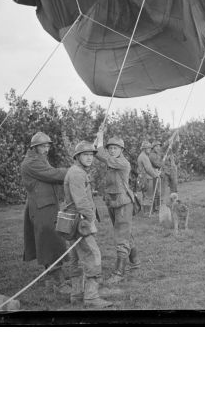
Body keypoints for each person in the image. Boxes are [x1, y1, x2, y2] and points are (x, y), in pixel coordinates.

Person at [64, 140, 112, 308]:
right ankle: (91, 297)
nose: (90, 158)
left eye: (91, 154)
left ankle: (76, 294)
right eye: (85, 155)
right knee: (93, 255)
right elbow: (81, 201)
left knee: (76, 258)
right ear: (77, 157)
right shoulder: (77, 173)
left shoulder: (76, 171)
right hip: (80, 221)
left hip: (72, 221)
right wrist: (90, 220)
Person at [20, 132, 70, 294]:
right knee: (49, 241)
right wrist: (75, 170)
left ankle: (52, 278)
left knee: (51, 240)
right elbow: (53, 175)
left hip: (46, 205)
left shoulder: (39, 159)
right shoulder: (31, 163)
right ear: (34, 147)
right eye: (43, 146)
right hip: (41, 208)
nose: (47, 149)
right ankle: (59, 282)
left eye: (48, 145)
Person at [94, 129, 139, 285]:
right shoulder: (111, 163)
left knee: (121, 237)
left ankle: (119, 272)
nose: (112, 150)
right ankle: (135, 262)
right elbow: (101, 156)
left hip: (123, 204)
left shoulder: (122, 162)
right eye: (110, 148)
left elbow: (100, 154)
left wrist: (99, 139)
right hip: (113, 203)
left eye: (115, 148)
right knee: (125, 233)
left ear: (121, 150)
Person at [137, 140, 161, 216]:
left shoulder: (142, 155)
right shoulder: (144, 157)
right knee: (148, 195)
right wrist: (155, 175)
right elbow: (148, 169)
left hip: (143, 177)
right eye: (148, 148)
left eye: (150, 148)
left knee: (145, 195)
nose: (150, 150)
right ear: (144, 149)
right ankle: (147, 213)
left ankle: (146, 212)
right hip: (147, 178)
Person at [149, 139, 164, 210]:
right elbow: (157, 164)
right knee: (155, 191)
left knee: (158, 190)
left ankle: (158, 206)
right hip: (153, 174)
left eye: (159, 146)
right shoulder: (152, 155)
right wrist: (162, 162)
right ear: (153, 147)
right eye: (156, 146)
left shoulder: (158, 154)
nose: (158, 148)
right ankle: (154, 207)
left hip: (157, 173)